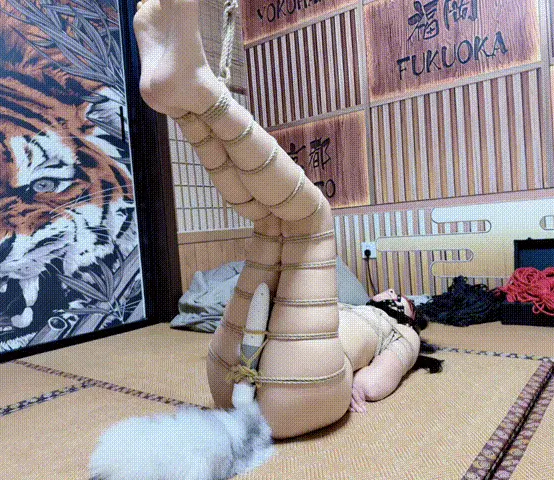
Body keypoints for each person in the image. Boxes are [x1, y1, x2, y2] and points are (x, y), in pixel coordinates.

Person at [133, 0, 421, 438]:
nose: (394, 293)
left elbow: (376, 381)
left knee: (313, 217)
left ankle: (200, 94)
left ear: (406, 313)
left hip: (299, 391)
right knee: (270, 222)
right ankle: (184, 105)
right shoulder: (353, 309)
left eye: (402, 299)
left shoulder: (400, 330)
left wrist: (355, 383)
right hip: (235, 377)